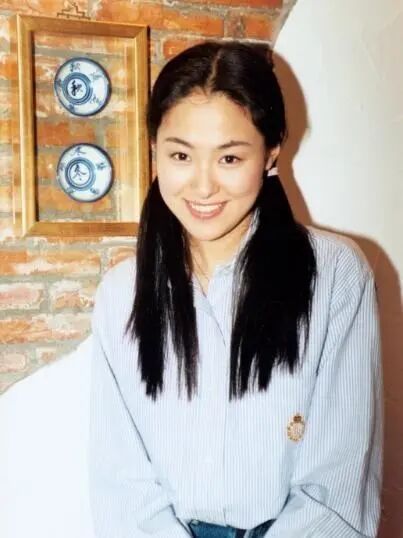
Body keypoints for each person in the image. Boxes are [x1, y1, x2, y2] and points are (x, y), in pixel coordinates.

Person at [88, 41, 383, 538]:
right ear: (155, 149)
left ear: (271, 153)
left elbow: (340, 483)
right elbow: (120, 484)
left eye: (228, 157)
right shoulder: (121, 294)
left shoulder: (335, 275)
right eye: (181, 154)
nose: (203, 186)